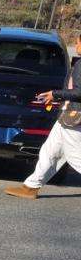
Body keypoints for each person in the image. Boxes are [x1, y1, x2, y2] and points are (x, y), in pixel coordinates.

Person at [6, 43, 81, 199]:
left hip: (75, 117)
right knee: (50, 150)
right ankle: (31, 187)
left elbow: (79, 92)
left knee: (75, 156)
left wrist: (55, 94)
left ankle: (31, 186)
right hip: (68, 114)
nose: (76, 44)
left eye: (79, 41)